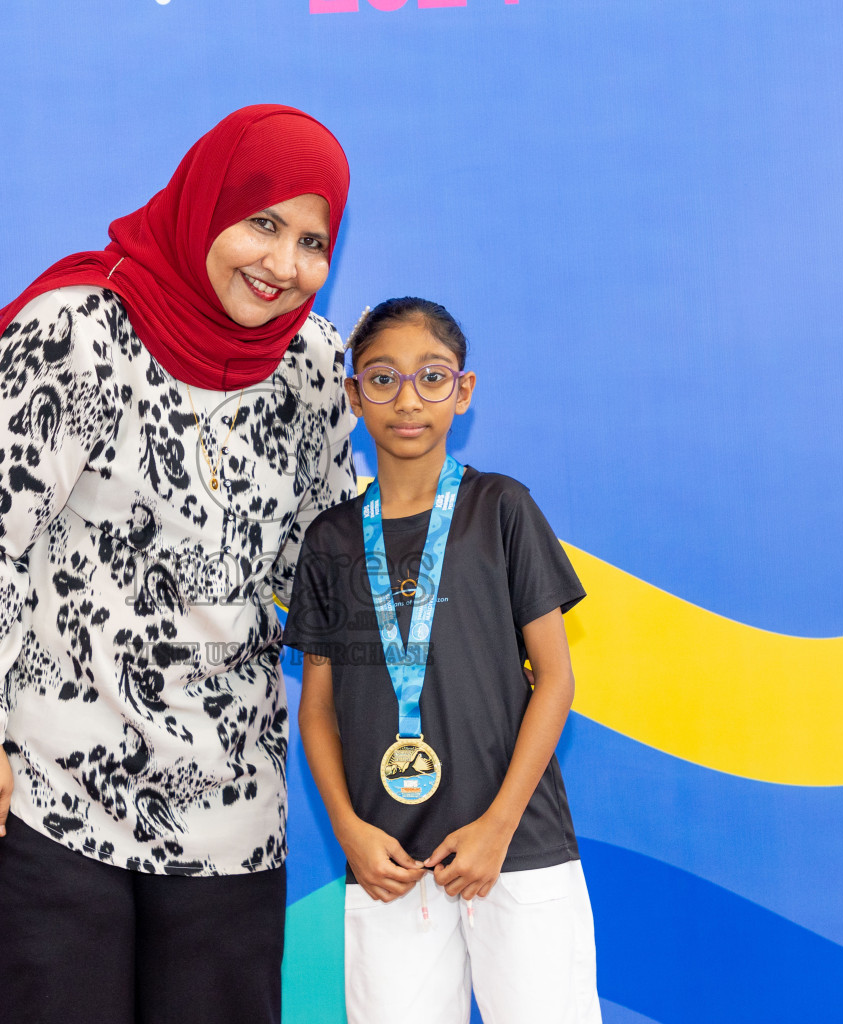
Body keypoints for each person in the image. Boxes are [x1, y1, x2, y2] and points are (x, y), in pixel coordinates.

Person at [0, 105, 357, 1024]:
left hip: (231, 797)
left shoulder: (313, 362)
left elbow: (325, 556)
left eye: (312, 241)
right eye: (262, 223)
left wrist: (439, 662)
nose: (283, 265)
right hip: (47, 785)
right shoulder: (79, 331)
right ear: (208, 208)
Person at [284, 297, 602, 1024]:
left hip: (515, 849)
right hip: (389, 862)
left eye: (432, 377)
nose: (408, 400)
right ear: (354, 395)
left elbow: (555, 680)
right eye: (383, 379)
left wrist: (496, 828)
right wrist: (350, 834)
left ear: (463, 391)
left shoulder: (500, 509)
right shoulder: (332, 542)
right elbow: (318, 710)